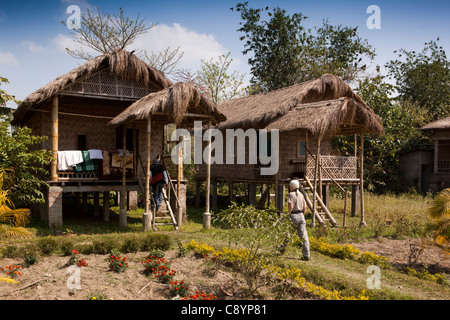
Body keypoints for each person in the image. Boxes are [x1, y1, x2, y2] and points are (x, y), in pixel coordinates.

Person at [286, 179, 310, 261]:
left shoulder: (290, 194)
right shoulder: (302, 195)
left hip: (293, 215)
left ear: (292, 187)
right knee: (304, 236)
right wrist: (302, 215)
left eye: (290, 186)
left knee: (288, 234)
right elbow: (305, 207)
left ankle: (281, 249)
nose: (289, 187)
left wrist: (288, 214)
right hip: (301, 215)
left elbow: (291, 207)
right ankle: (306, 255)